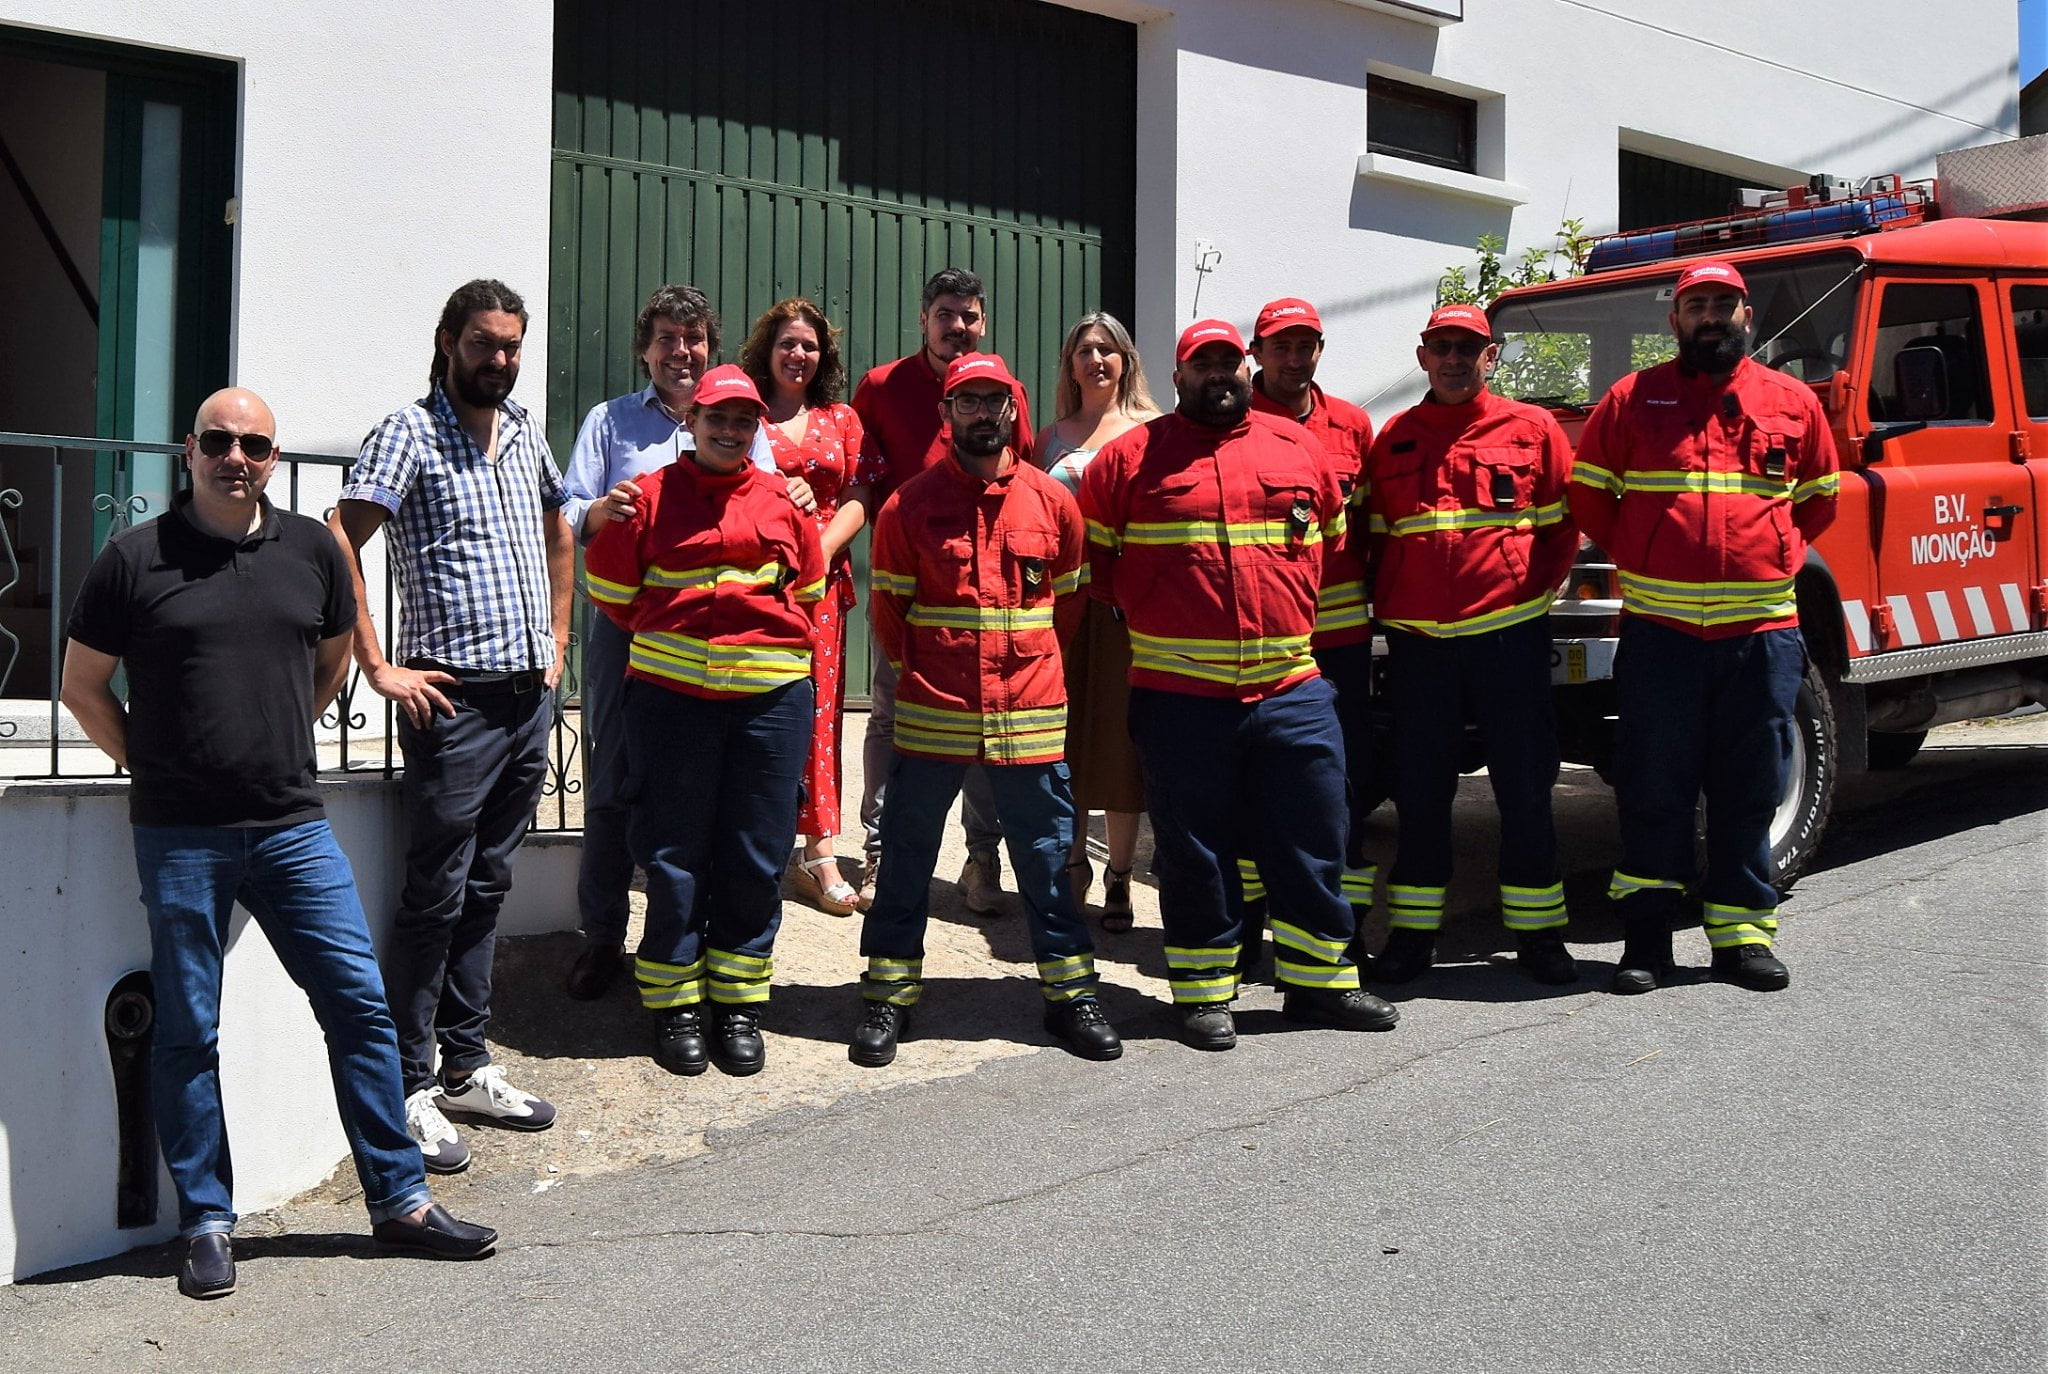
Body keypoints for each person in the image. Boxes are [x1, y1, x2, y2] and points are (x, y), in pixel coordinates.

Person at [61, 388, 497, 1302]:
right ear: (189, 450)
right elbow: (82, 686)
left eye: (254, 445)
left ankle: (401, 1201)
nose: (237, 457)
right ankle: (206, 1222)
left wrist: (276, 735)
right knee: (190, 1029)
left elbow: (331, 661)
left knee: (360, 1009)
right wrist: (153, 762)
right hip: (180, 834)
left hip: (294, 827)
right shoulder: (132, 558)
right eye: (219, 441)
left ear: (272, 456)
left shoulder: (312, 550)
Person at [1077, 320, 1399, 1051]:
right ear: (1178, 375)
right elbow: (1096, 564)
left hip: (1291, 687)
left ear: (1245, 367)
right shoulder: (1127, 460)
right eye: (1203, 364)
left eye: (1229, 361)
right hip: (1180, 694)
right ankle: (1204, 993)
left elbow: (1329, 543)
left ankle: (1320, 985)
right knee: (1196, 851)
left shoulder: (1298, 447)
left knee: (1315, 836)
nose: (1218, 374)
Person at [330, 278, 571, 1174]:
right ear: (447, 343)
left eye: (510, 345)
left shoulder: (525, 432)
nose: (498, 360)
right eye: (482, 344)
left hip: (526, 698)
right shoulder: (409, 432)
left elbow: (559, 530)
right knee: (435, 896)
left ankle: (467, 1064)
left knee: (489, 885)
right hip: (452, 703)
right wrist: (376, 664)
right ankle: (409, 1083)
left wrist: (557, 640)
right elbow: (338, 538)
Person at [1569, 260, 1840, 993]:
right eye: (1697, 306)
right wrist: (1644, 552)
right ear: (1676, 321)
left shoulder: (1792, 401)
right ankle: (1646, 941)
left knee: (1749, 786)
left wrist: (1771, 553)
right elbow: (1589, 497)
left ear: (1747, 315)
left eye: (1724, 304)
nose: (1711, 316)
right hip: (1662, 634)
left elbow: (1819, 499)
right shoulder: (1632, 398)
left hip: (1759, 635)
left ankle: (1741, 939)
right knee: (1653, 786)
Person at [849, 354, 1120, 1067]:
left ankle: (1072, 997)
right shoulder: (908, 507)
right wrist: (932, 676)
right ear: (946, 414)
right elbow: (890, 615)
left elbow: (1067, 605)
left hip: (1029, 715)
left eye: (992, 401)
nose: (980, 413)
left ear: (1012, 409)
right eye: (965, 401)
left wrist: (1028, 670)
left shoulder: (1053, 502)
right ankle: (888, 995)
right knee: (906, 858)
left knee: (1047, 860)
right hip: (933, 716)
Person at [584, 366, 825, 1075]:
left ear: (756, 429)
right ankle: (675, 1006)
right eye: (717, 417)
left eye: (744, 420)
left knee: (756, 854)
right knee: (673, 854)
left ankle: (740, 1005)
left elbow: (810, 588)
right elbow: (610, 591)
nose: (730, 430)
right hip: (671, 704)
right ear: (690, 422)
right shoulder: (647, 498)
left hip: (770, 705)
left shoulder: (784, 501)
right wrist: (676, 639)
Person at [559, 285, 785, 999]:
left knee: (703, 791)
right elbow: (568, 510)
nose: (681, 351)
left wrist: (802, 499)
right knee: (613, 781)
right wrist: (603, 509)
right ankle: (603, 936)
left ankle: (697, 940)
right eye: (666, 338)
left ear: (710, 349)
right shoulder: (610, 420)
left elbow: (768, 502)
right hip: (626, 629)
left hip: (716, 638)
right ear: (644, 349)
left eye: (693, 339)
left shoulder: (740, 418)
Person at [1365, 304, 1581, 985]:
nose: (1454, 358)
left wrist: (1525, 598)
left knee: (1525, 788)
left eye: (1468, 347)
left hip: (1506, 641)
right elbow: (1376, 539)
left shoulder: (1534, 429)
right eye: (1442, 347)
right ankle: (1412, 935)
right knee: (1420, 793)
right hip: (1420, 648)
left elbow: (1562, 528)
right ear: (1423, 357)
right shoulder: (1395, 438)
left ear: (1491, 356)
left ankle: (1539, 935)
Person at [848, 267, 1034, 915]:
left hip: (988, 590)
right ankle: (880, 851)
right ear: (924, 320)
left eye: (969, 316)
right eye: (946, 315)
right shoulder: (881, 388)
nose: (958, 327)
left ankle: (981, 859)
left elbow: (1021, 478)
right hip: (906, 588)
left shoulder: (1005, 390)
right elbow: (861, 480)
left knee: (984, 722)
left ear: (984, 321)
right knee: (889, 717)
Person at [740, 298, 882, 916]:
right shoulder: (743, 412)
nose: (798, 354)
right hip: (756, 582)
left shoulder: (842, 419)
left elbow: (859, 495)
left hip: (820, 588)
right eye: (787, 344)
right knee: (757, 705)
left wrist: (817, 554)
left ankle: (819, 851)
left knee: (821, 712)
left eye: (810, 346)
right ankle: (757, 840)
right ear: (767, 350)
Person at [1245, 298, 1379, 946]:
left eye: (1306, 346)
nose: (1294, 359)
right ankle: (1247, 926)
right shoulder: (1233, 421)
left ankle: (1340, 929)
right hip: (1261, 642)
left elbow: (1371, 527)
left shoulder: (1352, 425)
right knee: (1252, 785)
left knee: (1339, 786)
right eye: (1281, 346)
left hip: (1339, 638)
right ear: (1257, 353)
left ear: (1320, 351)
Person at [1034, 312, 1158, 931]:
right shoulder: (1050, 438)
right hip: (1063, 610)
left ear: (1125, 360)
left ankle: (1121, 876)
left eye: (1107, 349)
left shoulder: (1152, 430)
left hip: (1125, 611)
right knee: (1067, 740)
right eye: (1084, 350)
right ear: (1071, 365)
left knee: (1120, 744)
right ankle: (1073, 865)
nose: (1096, 359)